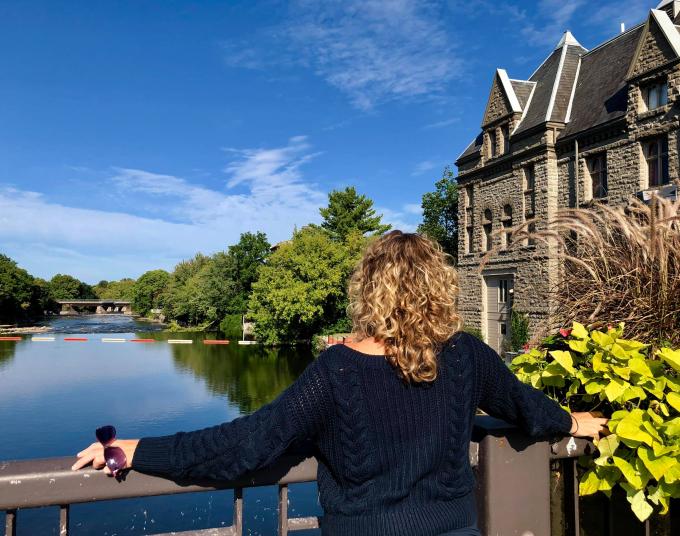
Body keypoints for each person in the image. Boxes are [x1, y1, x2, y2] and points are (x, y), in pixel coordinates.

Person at [73, 230, 608, 536]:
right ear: (439, 287)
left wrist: (136, 449)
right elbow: (525, 407)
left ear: (368, 291)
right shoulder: (465, 355)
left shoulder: (338, 372)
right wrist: (575, 422)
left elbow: (247, 446)